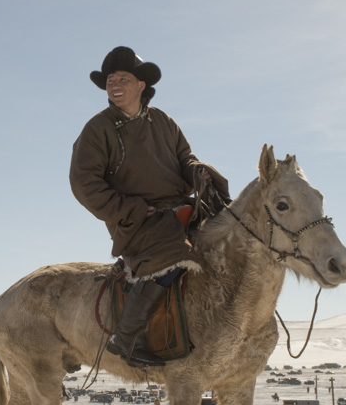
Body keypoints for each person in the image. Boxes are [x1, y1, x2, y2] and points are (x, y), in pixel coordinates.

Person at [70, 46, 230, 367]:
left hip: (181, 209)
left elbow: (186, 158)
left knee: (228, 240)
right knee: (172, 256)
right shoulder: (97, 129)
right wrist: (129, 209)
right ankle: (126, 338)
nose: (115, 85)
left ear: (141, 85)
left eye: (123, 79)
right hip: (138, 221)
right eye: (110, 80)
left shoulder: (163, 121)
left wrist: (199, 172)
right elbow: (84, 183)